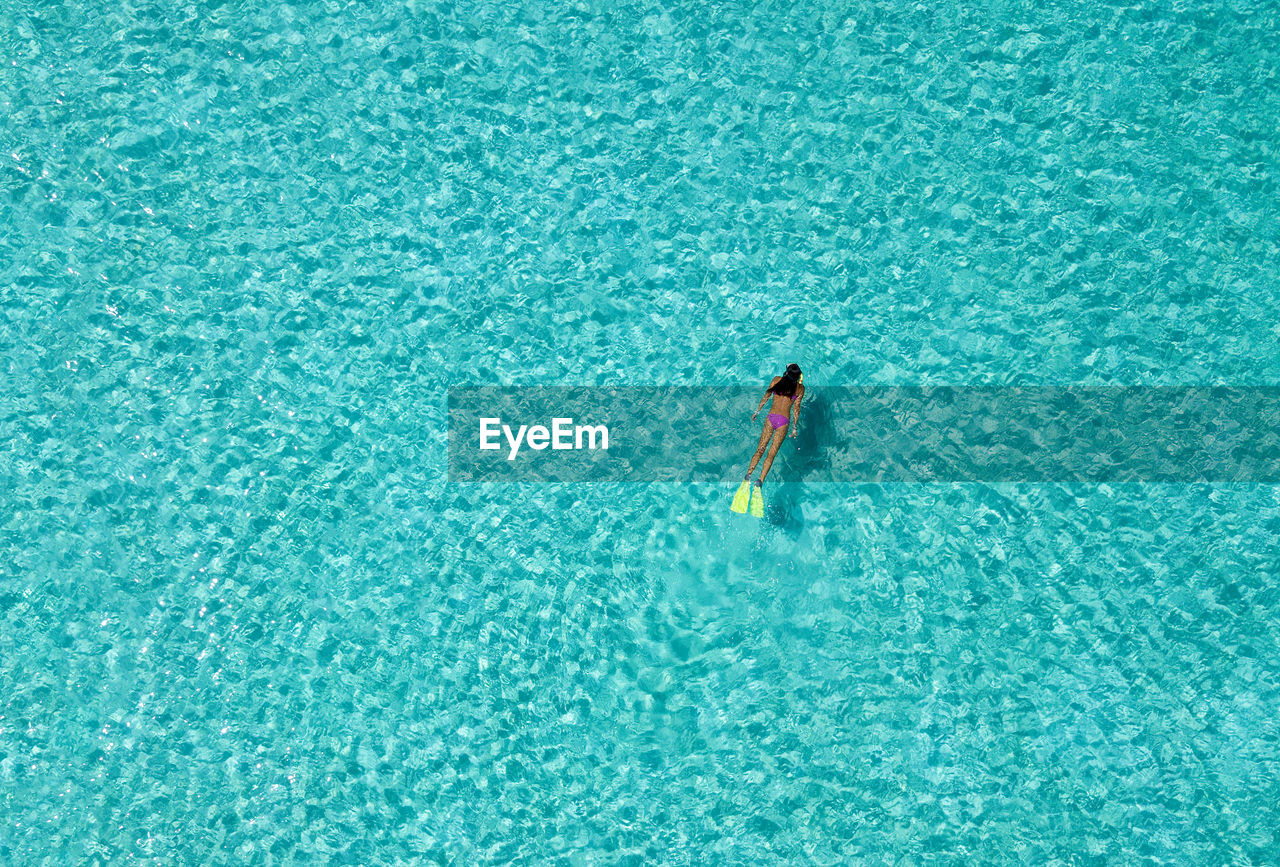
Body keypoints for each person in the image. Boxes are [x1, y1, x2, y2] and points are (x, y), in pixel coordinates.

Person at [744, 363, 803, 489]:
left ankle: (748, 475)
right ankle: (760, 481)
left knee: (760, 449)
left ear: (786, 372)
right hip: (784, 422)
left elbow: (766, 396)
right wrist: (794, 427)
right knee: (771, 454)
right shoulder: (800, 389)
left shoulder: (776, 380)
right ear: (798, 377)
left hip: (771, 418)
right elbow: (796, 409)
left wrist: (757, 412)